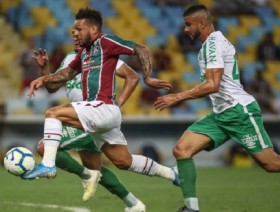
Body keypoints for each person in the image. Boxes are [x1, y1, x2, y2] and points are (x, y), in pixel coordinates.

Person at [22, 7, 179, 193]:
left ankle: (48, 164)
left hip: (102, 108)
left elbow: (141, 49)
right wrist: (43, 77)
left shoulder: (106, 42)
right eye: (73, 29)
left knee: (53, 113)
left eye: (79, 29)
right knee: (123, 161)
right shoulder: (83, 53)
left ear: (94, 29)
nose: (74, 32)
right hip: (97, 112)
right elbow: (67, 73)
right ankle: (172, 174)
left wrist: (148, 77)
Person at [153, 4, 280, 212]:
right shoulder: (209, 44)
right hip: (221, 114)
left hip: (239, 111)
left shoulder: (214, 44)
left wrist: (177, 97)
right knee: (182, 150)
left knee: (271, 164)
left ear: (202, 23)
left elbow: (212, 85)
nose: (185, 29)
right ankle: (192, 208)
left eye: (188, 25)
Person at [32, 33, 145, 210]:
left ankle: (83, 175)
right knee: (96, 168)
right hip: (79, 116)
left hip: (92, 115)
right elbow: (52, 87)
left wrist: (118, 104)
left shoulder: (100, 54)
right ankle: (134, 203)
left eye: (79, 33)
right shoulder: (70, 59)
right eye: (73, 34)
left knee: (44, 147)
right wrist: (45, 69)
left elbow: (132, 76)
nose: (76, 38)